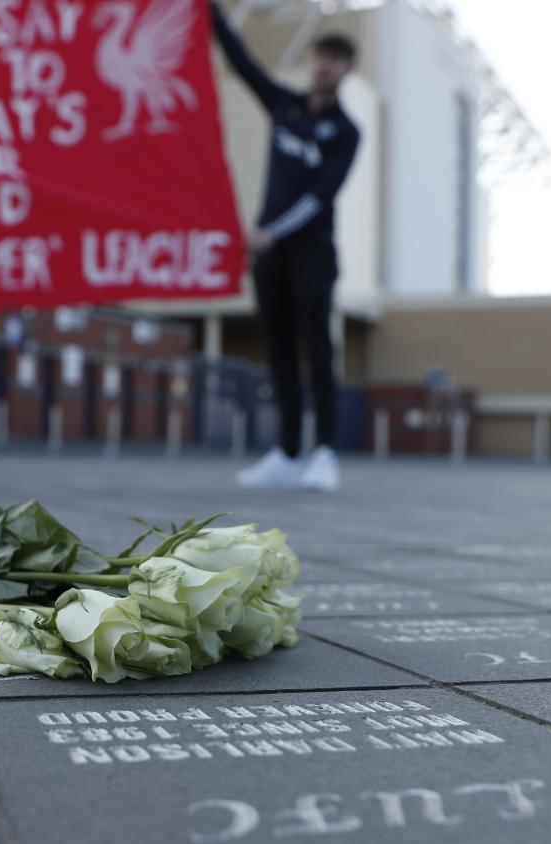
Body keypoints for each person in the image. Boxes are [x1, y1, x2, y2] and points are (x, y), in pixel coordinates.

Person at [210, 1, 360, 492]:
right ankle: (288, 452)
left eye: (337, 59)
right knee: (277, 350)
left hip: (311, 252)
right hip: (270, 255)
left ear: (346, 70)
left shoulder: (345, 132)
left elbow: (321, 196)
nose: (325, 65)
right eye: (322, 55)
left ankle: (325, 453)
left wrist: (273, 229)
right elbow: (243, 61)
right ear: (313, 60)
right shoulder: (284, 106)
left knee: (317, 349)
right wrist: (207, 13)